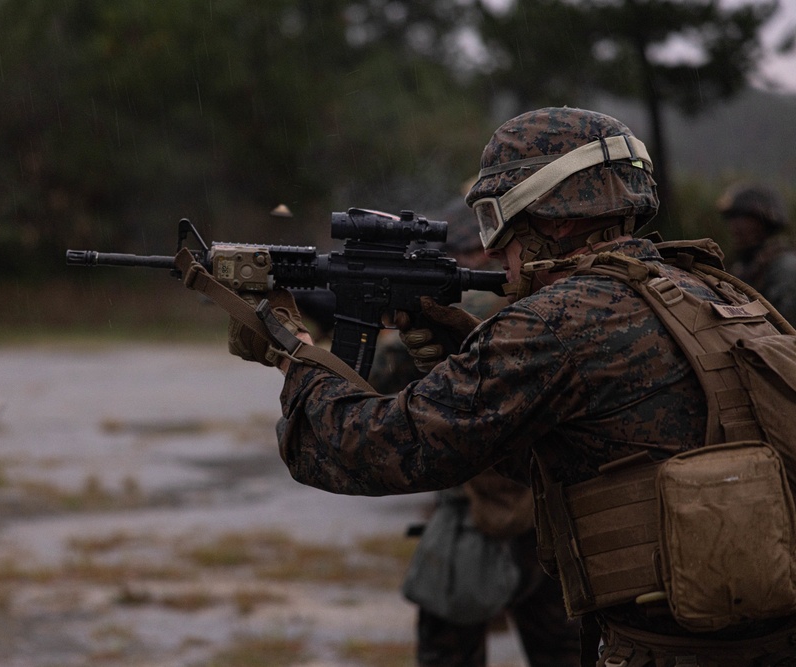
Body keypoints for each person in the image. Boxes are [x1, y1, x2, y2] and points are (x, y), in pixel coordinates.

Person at [222, 107, 796, 665]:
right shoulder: (715, 291)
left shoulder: (556, 322)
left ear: (558, 218)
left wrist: (291, 352)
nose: (494, 249)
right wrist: (463, 348)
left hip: (662, 652)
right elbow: (586, 448)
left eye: (499, 220)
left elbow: (374, 449)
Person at [369, 196, 580, 667]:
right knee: (564, 646)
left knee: (448, 642)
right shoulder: (545, 300)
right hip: (546, 506)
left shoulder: (480, 303)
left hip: (479, 515)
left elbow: (380, 382)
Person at [717, 182, 796, 326]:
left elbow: (786, 329)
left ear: (762, 222)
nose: (733, 227)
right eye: (731, 218)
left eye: (740, 217)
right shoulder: (746, 266)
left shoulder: (785, 269)